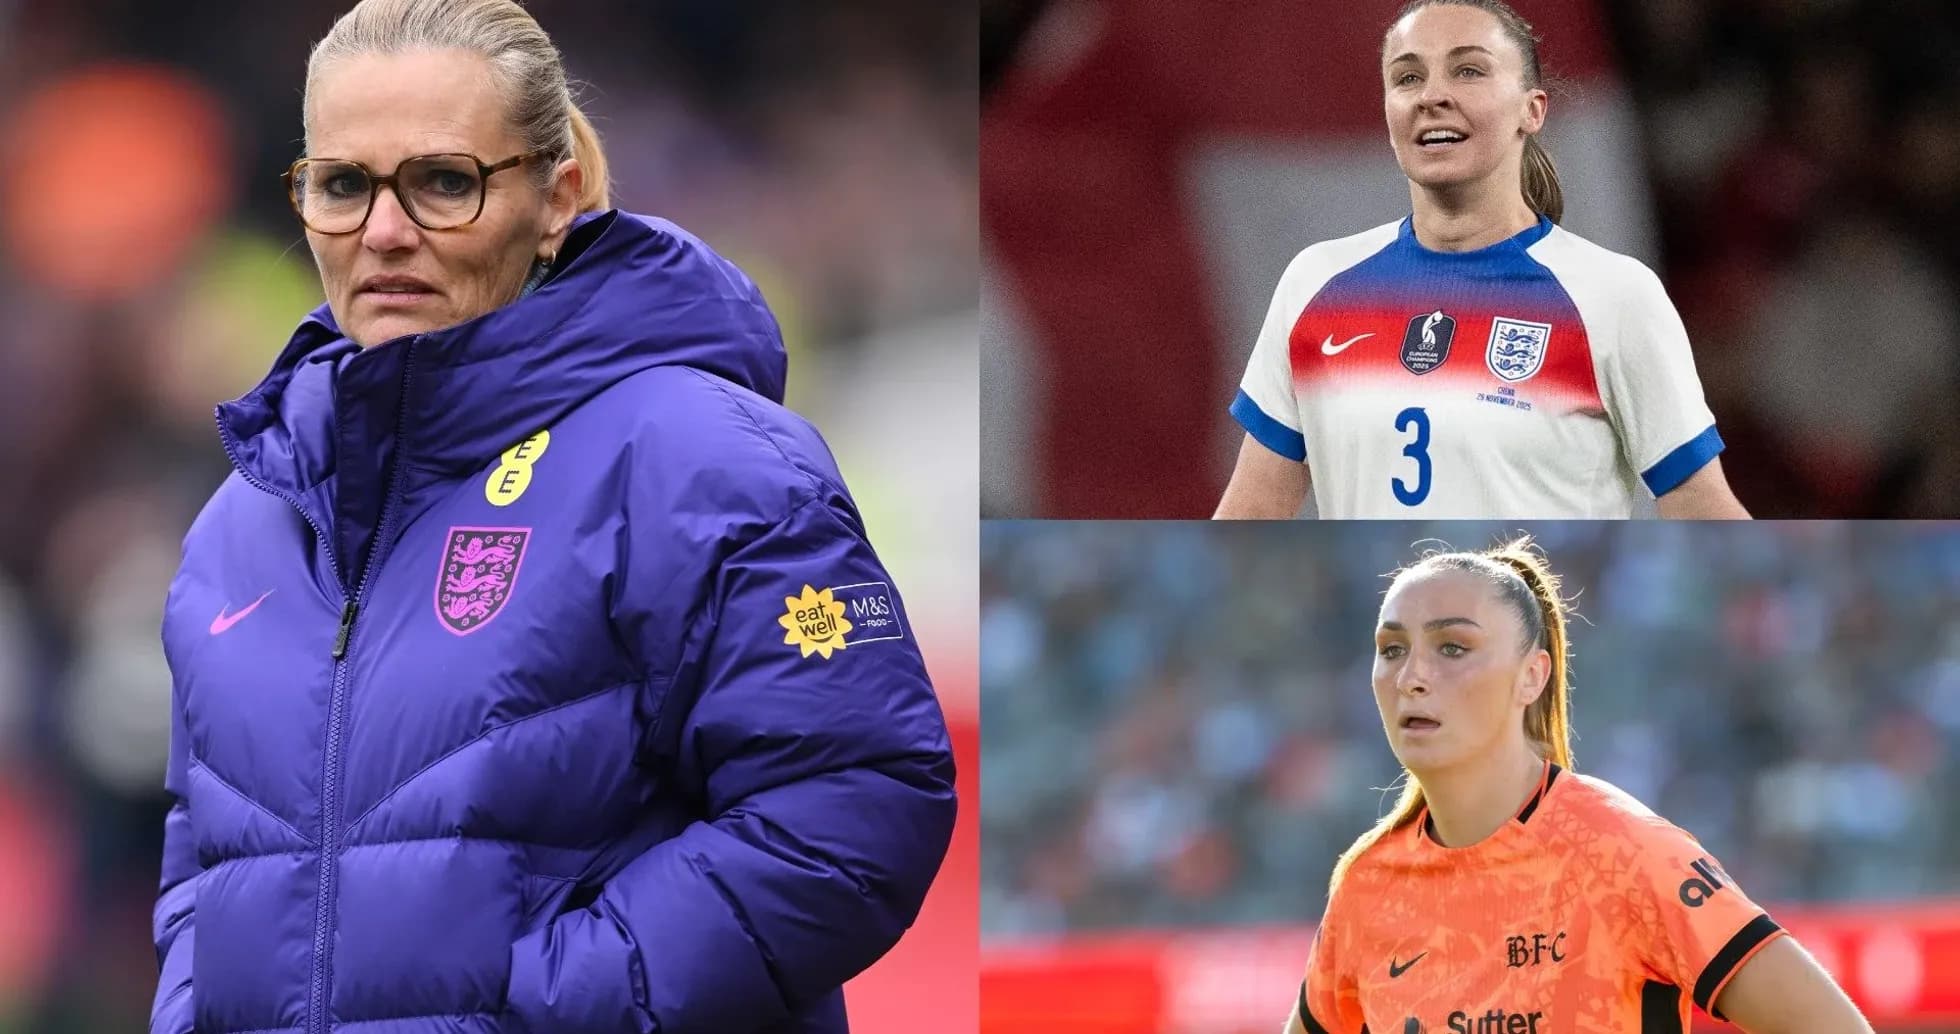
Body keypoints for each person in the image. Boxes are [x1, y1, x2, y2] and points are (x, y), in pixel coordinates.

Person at [146, 2, 957, 1032]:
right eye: (342, 185)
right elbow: (203, 867)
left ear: (556, 193)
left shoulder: (699, 458)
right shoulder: (242, 521)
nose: (384, 231)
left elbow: (854, 798)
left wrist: (545, 1005)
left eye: (444, 182)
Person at [1286, 539, 1868, 1033]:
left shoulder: (1623, 850)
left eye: (1453, 648)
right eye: (1392, 650)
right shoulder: (1367, 885)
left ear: (1532, 676)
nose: (1411, 677)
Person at [1216, 0, 1749, 520]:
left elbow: (1704, 513)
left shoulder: (1613, 296)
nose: (1432, 96)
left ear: (1532, 110)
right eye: (1407, 78)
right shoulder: (1316, 284)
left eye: (1468, 70)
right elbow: (1249, 519)